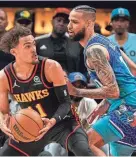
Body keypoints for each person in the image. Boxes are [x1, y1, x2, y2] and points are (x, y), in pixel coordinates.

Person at [0, 25, 93, 156]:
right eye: (27, 46)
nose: (34, 49)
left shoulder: (51, 67)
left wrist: (53, 121)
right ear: (14, 52)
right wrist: (2, 122)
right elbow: (4, 112)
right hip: (32, 128)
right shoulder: (4, 77)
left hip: (63, 124)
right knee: (5, 154)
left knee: (84, 151)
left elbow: (66, 103)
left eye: (34, 44)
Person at [67, 5, 136, 156]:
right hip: (128, 108)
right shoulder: (106, 41)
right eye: (69, 21)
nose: (69, 26)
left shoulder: (94, 50)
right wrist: (103, 106)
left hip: (127, 110)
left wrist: (76, 91)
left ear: (89, 23)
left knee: (86, 143)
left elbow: (113, 90)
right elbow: (132, 73)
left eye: (74, 22)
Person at [36, 8, 81, 73]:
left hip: (70, 81)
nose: (61, 24)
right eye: (59, 20)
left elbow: (83, 67)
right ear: (52, 21)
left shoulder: (76, 44)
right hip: (45, 81)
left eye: (65, 21)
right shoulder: (38, 41)